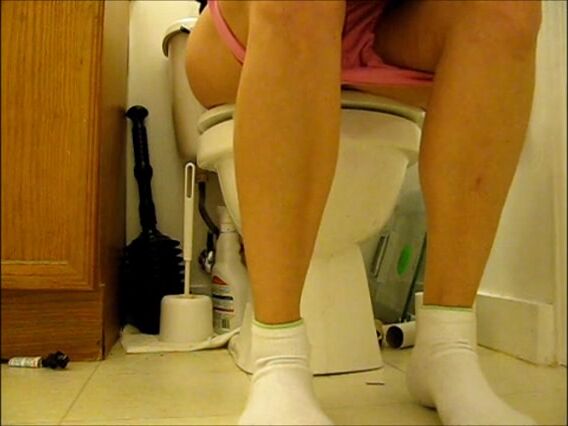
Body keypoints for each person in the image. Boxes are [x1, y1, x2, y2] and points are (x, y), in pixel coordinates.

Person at [185, 1, 542, 424]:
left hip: (395, 30)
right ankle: (277, 357)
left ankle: (448, 347)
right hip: (252, 31)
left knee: (508, 8)